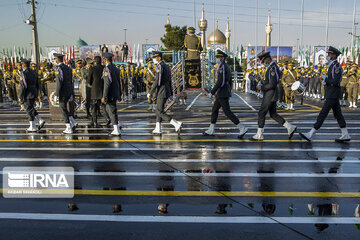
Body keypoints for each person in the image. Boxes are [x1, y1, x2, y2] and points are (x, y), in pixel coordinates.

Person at [299, 46, 350, 142]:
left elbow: (336, 81)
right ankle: (345, 134)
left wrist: (326, 80)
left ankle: (311, 133)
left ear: (334, 55)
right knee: (338, 114)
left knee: (323, 113)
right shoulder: (331, 65)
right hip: (332, 93)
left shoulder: (337, 66)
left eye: (330, 54)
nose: (328, 55)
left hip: (333, 93)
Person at [251, 51, 297, 141]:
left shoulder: (272, 68)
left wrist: (262, 87)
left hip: (270, 94)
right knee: (273, 114)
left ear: (268, 59)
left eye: (264, 61)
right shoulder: (272, 67)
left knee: (261, 113)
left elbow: (272, 84)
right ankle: (290, 127)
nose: (263, 63)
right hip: (271, 94)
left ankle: (259, 134)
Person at [203, 50, 248, 138]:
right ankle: (211, 129)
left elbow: (221, 81)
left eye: (218, 57)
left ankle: (242, 127)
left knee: (227, 112)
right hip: (222, 92)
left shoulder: (223, 66)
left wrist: (212, 92)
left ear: (222, 58)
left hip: (223, 92)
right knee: (215, 110)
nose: (217, 59)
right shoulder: (223, 66)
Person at [147, 51, 182, 135]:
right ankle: (158, 128)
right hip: (166, 90)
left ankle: (175, 123)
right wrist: (170, 92)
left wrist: (151, 92)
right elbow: (169, 80)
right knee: (160, 109)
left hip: (162, 90)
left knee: (158, 111)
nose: (154, 59)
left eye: (155, 58)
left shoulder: (160, 66)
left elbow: (157, 81)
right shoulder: (166, 66)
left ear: (159, 58)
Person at [18, 59, 45, 132]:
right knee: (31, 108)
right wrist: (36, 94)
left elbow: (23, 86)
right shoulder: (34, 72)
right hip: (34, 91)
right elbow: (37, 84)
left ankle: (33, 125)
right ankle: (39, 120)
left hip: (27, 92)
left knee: (28, 109)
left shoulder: (23, 73)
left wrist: (20, 96)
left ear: (23, 65)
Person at [54, 53, 78, 134]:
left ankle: (68, 127)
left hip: (63, 91)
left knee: (63, 108)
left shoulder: (59, 69)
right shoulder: (68, 68)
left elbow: (59, 82)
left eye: (55, 59)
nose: (55, 60)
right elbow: (70, 81)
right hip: (68, 90)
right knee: (64, 107)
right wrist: (71, 92)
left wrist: (56, 94)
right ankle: (73, 121)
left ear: (57, 59)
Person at [101, 52, 121, 136]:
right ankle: (116, 126)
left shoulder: (107, 69)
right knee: (113, 110)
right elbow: (118, 82)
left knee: (111, 111)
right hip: (115, 93)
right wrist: (120, 93)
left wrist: (104, 96)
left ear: (105, 60)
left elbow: (107, 83)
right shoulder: (115, 68)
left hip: (110, 94)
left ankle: (116, 129)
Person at [88, 56, 108, 128]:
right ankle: (107, 119)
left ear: (95, 61)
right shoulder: (104, 68)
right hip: (103, 90)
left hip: (95, 91)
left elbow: (89, 81)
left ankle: (94, 121)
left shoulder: (92, 69)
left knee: (94, 108)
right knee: (104, 106)